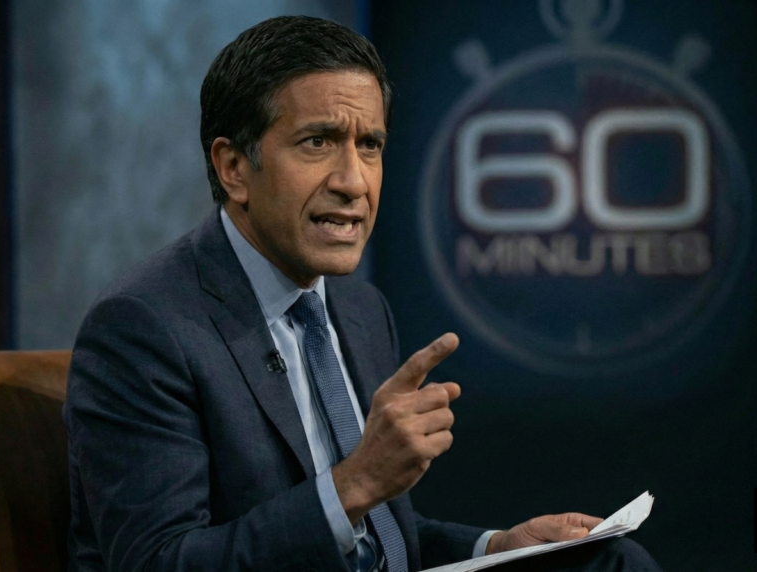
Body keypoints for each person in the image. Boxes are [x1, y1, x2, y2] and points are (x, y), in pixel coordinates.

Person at [64, 15, 661, 572]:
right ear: (234, 168)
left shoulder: (359, 310)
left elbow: (372, 539)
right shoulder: (145, 327)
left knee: (610, 562)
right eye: (317, 142)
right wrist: (357, 483)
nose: (353, 182)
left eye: (369, 145)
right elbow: (159, 560)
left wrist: (495, 547)